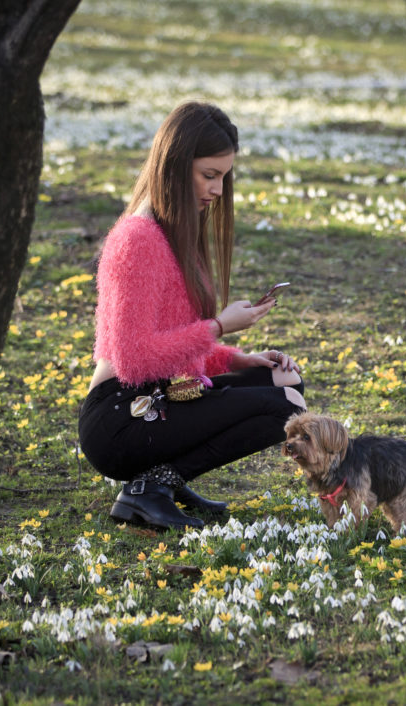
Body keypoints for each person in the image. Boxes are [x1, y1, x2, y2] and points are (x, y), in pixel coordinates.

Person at [78, 102, 307, 530]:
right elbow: (135, 361)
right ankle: (152, 486)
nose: (219, 190)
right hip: (121, 415)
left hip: (164, 394)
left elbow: (176, 345)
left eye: (223, 176)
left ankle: (162, 479)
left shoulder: (175, 231)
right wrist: (219, 326)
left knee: (287, 383)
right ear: (176, 165)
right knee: (285, 408)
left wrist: (236, 359)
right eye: (210, 175)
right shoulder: (137, 239)